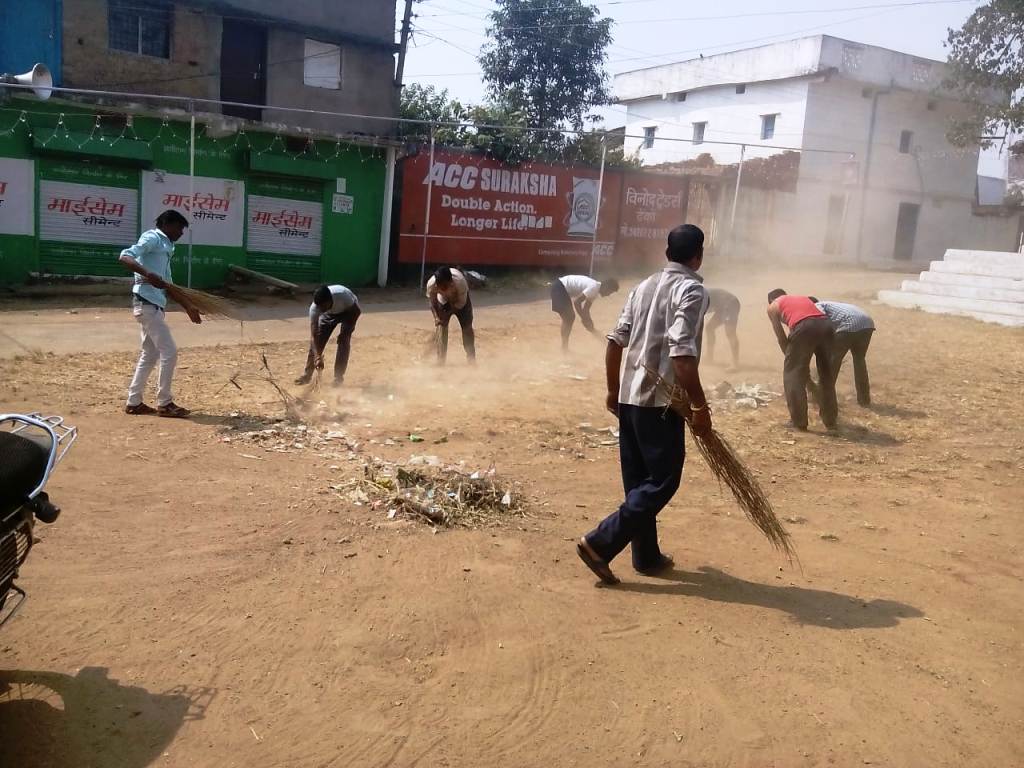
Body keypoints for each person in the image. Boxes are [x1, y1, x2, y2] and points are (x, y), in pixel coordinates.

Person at [576, 224, 712, 586]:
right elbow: (681, 353)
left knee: (638, 482)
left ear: (667, 253)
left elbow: (614, 342)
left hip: (630, 398)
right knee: (663, 480)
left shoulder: (643, 286)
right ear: (699, 256)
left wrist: (612, 391)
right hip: (660, 403)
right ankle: (599, 542)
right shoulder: (692, 290)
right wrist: (700, 407)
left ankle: (646, 555)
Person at [119, 209, 201, 419]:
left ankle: (134, 402)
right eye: (179, 228)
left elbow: (168, 286)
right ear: (167, 224)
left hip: (153, 306)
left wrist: (188, 306)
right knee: (169, 352)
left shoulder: (166, 249)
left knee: (150, 354)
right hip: (147, 304)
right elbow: (125, 256)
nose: (181, 233)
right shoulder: (153, 238)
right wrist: (148, 274)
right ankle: (165, 403)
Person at [766, 289, 838, 431]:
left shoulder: (772, 306)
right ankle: (831, 421)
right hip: (827, 325)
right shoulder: (801, 298)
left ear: (771, 300)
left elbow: (781, 337)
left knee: (793, 376)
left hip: (805, 327)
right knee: (826, 374)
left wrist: (789, 359)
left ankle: (799, 422)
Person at [808, 298, 875, 406]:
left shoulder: (817, 306)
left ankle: (824, 397)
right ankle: (864, 400)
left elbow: (821, 323)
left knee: (833, 362)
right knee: (859, 361)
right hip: (867, 324)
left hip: (850, 324)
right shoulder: (834, 305)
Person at [295, 284, 361, 386]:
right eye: (319, 307)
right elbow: (314, 336)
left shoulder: (343, 295)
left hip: (349, 312)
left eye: (323, 306)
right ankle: (307, 375)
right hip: (329, 314)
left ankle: (338, 378)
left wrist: (345, 333)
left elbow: (357, 311)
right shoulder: (315, 308)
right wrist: (317, 356)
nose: (321, 309)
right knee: (317, 341)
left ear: (330, 300)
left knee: (343, 341)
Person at [550, 275, 619, 351]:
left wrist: (589, 321)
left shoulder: (595, 291)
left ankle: (564, 348)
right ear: (607, 287)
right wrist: (584, 318)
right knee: (569, 317)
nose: (608, 295)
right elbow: (577, 302)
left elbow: (586, 309)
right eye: (610, 292)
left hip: (561, 288)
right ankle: (564, 348)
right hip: (560, 287)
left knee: (570, 317)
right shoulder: (594, 287)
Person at [426, 266, 475, 365]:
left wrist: (447, 314)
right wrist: (437, 317)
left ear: (451, 282)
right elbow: (432, 301)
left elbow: (461, 304)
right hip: (443, 300)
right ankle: (441, 361)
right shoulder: (431, 284)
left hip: (461, 302)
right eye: (440, 287)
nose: (442, 289)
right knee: (441, 328)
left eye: (445, 286)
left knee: (467, 328)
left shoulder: (460, 283)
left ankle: (471, 359)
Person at [703, 288, 741, 368]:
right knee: (709, 328)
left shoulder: (697, 298)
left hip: (730, 303)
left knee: (730, 333)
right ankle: (709, 357)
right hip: (720, 306)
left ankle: (735, 364)